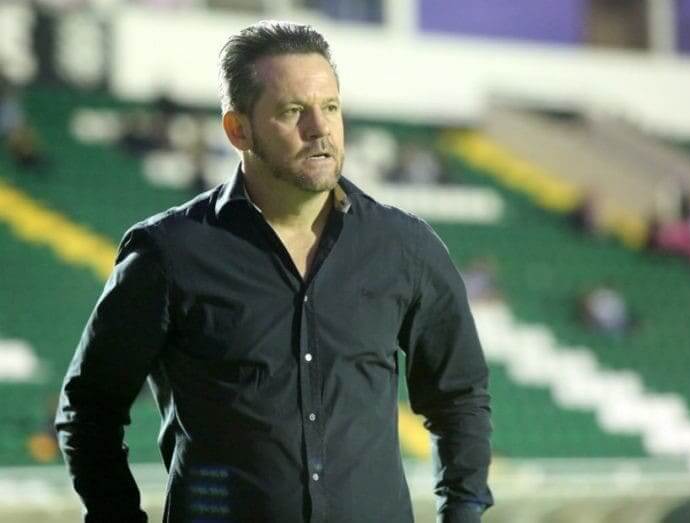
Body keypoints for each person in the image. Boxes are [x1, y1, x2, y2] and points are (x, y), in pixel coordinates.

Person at [55, 21, 493, 523]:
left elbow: (459, 396)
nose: (320, 128)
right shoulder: (169, 253)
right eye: (292, 111)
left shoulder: (405, 247)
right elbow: (89, 410)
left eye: (331, 107)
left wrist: (462, 512)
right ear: (238, 130)